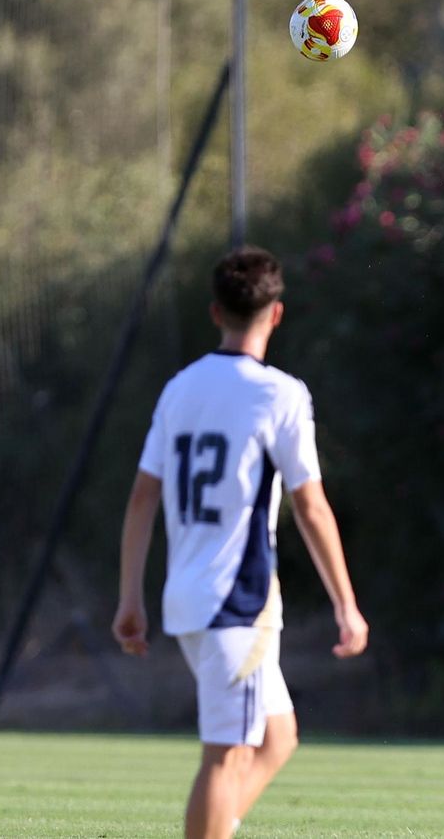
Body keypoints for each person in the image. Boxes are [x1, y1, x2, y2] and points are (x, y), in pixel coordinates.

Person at [112, 246, 370, 839]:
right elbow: (309, 504)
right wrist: (346, 606)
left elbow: (140, 499)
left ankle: (216, 830)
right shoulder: (278, 394)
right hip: (237, 604)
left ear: (214, 312)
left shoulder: (179, 388)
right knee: (224, 756)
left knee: (278, 738)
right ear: (276, 314)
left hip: (188, 598)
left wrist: (130, 598)